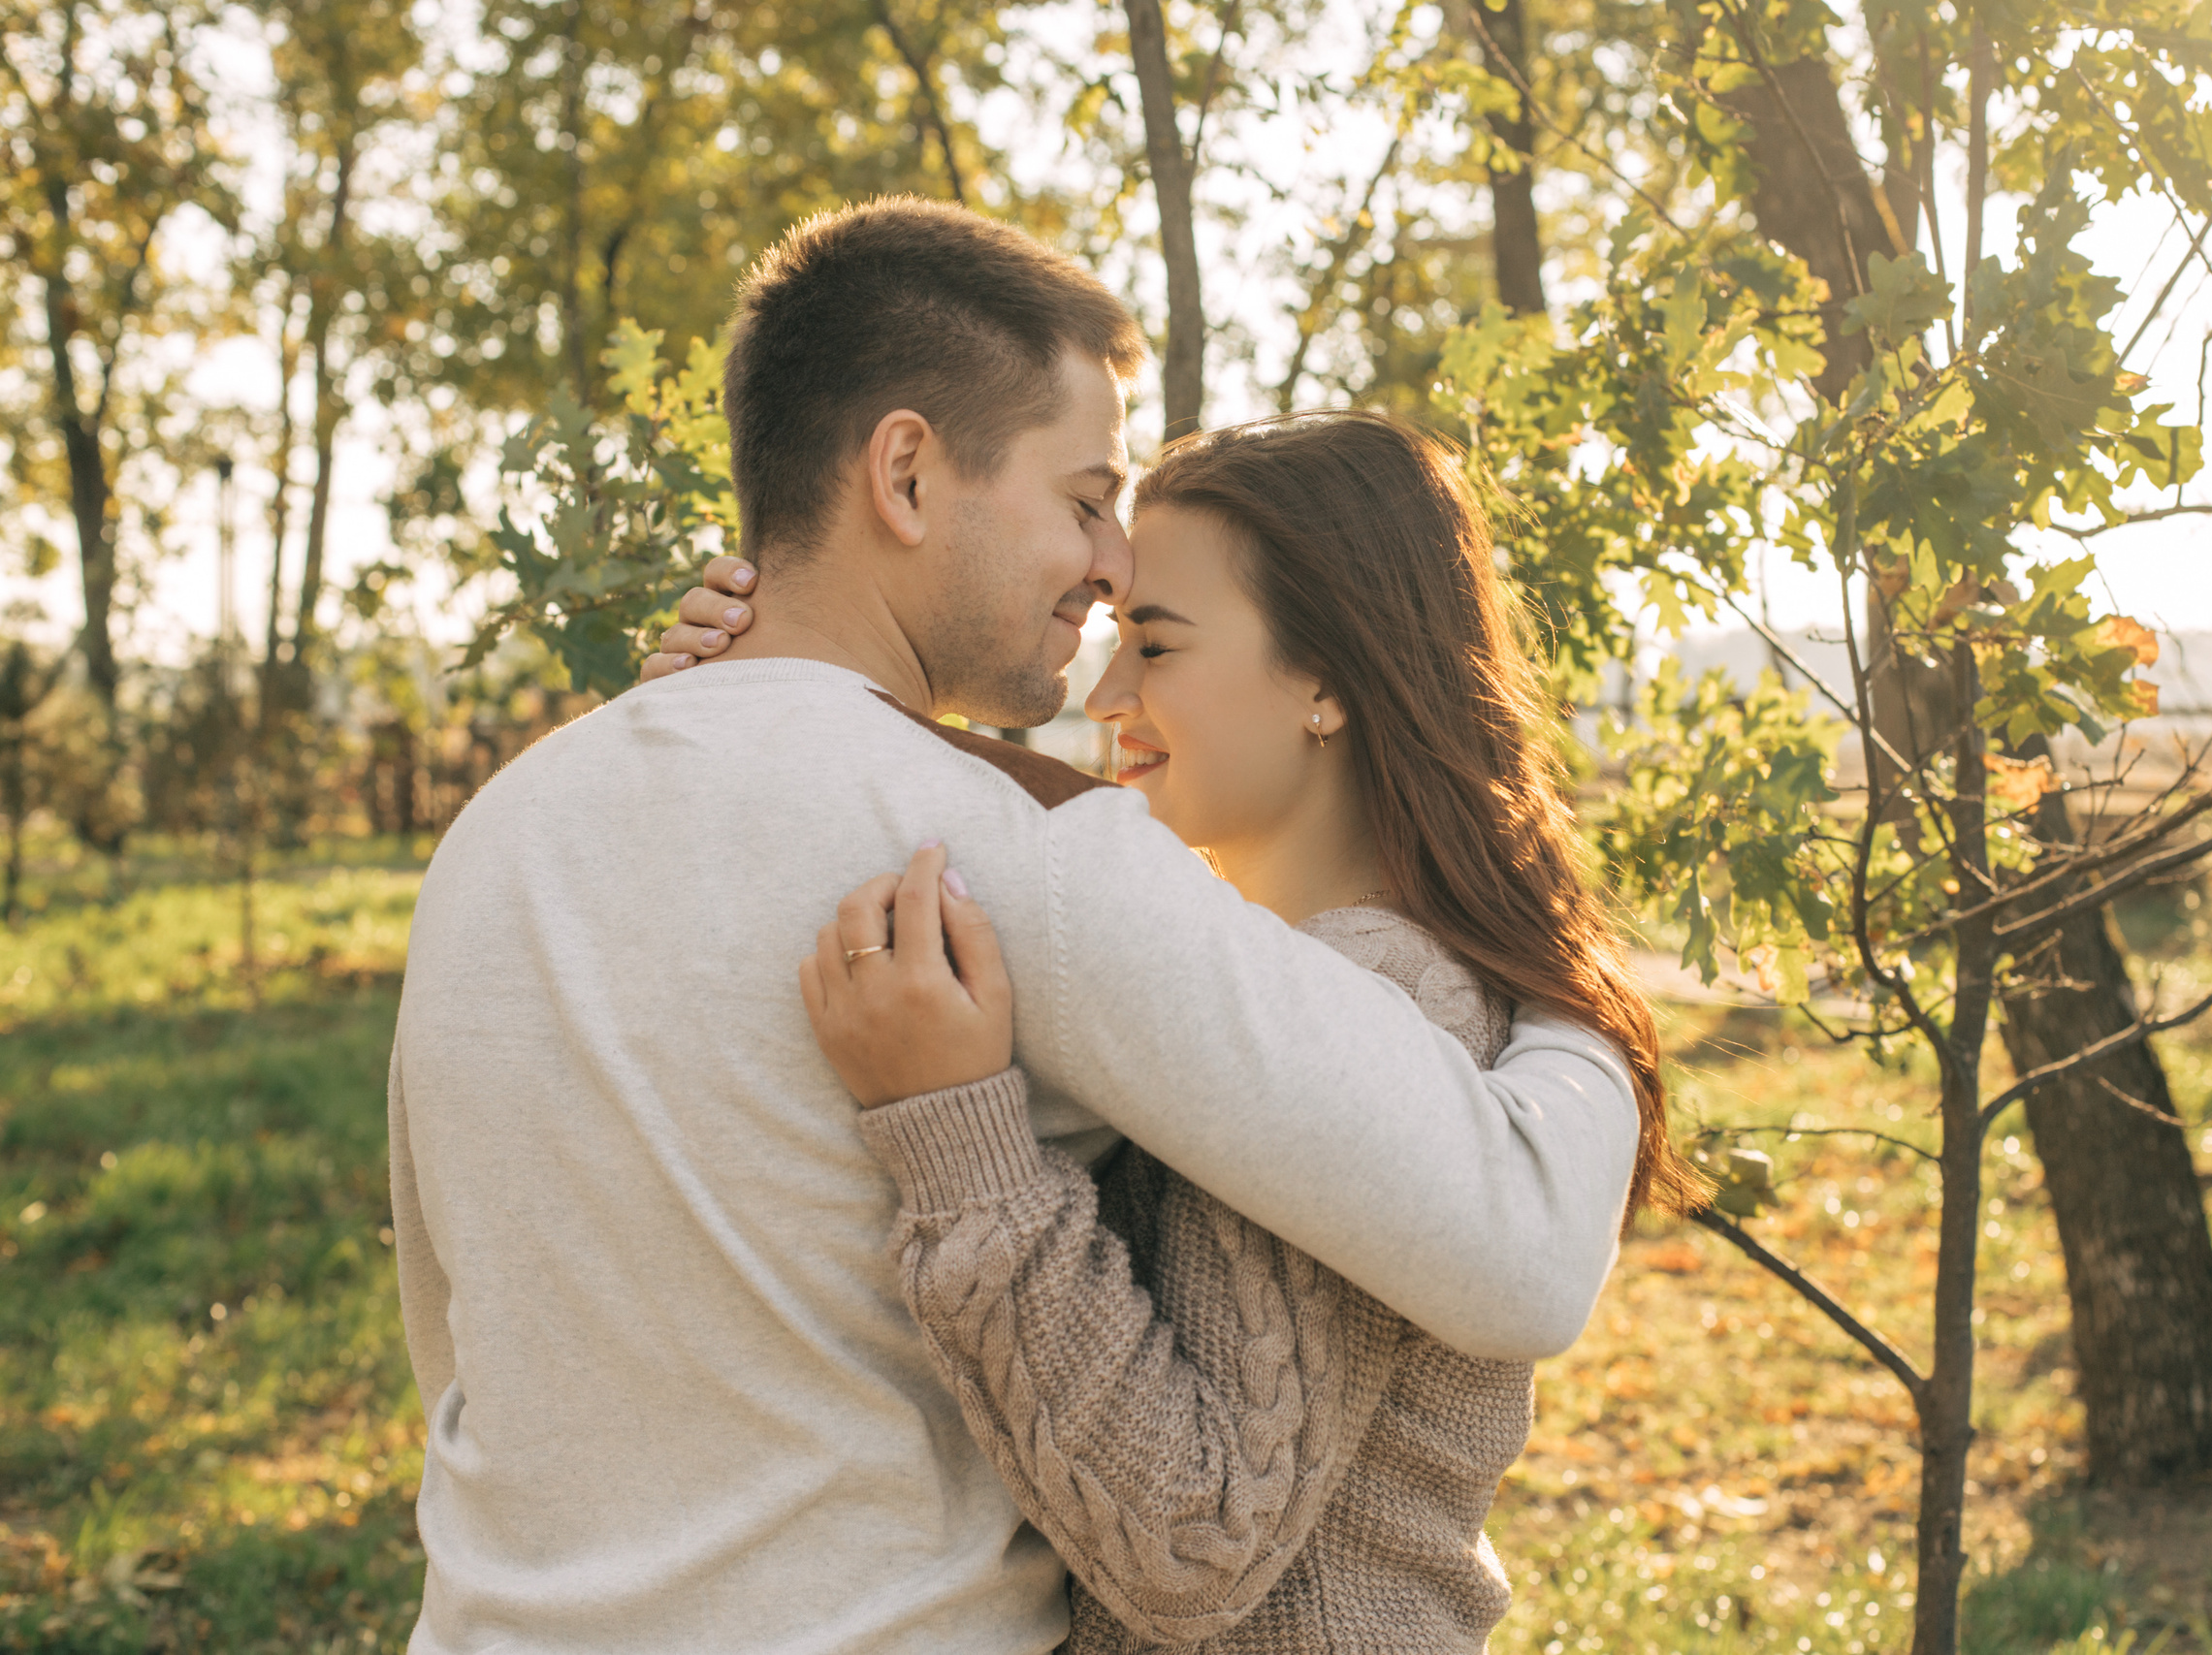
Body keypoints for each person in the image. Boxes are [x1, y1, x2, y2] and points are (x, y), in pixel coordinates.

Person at [391, 197, 1641, 1655]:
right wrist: (1575, 995)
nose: (1111, 563)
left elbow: (454, 1338)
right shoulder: (1011, 858)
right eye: (1083, 496)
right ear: (908, 473)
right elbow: (1523, 1247)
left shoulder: (498, 832)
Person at [755, 411, 1703, 1652]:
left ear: (1326, 681)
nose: (1106, 694)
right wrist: (774, 706)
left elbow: (1189, 1540)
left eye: (1156, 644)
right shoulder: (1297, 973)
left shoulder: (1365, 997)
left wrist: (961, 1146)